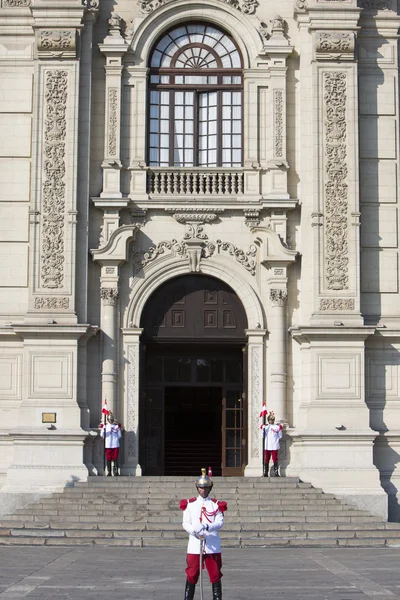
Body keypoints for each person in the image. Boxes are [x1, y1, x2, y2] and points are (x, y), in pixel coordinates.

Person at [180, 468, 227, 600]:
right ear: (197, 488)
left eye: (206, 488)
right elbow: (185, 523)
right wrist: (194, 532)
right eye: (201, 487)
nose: (203, 490)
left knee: (215, 575)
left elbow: (220, 522)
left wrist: (207, 526)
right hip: (195, 544)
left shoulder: (216, 505)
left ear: (210, 488)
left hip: (212, 544)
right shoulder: (190, 504)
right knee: (192, 574)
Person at [99, 411, 122, 476]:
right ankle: (109, 472)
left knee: (115, 458)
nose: (111, 420)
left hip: (115, 444)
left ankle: (116, 471)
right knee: (109, 459)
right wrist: (103, 429)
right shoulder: (105, 427)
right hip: (108, 445)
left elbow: (119, 435)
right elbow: (102, 435)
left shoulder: (116, 427)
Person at [261, 411, 283, 477]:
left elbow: (280, 436)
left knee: (275, 459)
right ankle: (265, 472)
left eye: (272, 419)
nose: (271, 420)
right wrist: (263, 429)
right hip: (267, 446)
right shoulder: (266, 427)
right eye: (270, 419)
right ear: (268, 420)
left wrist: (280, 430)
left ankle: (276, 472)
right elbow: (262, 436)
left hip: (274, 445)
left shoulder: (276, 427)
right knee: (266, 459)